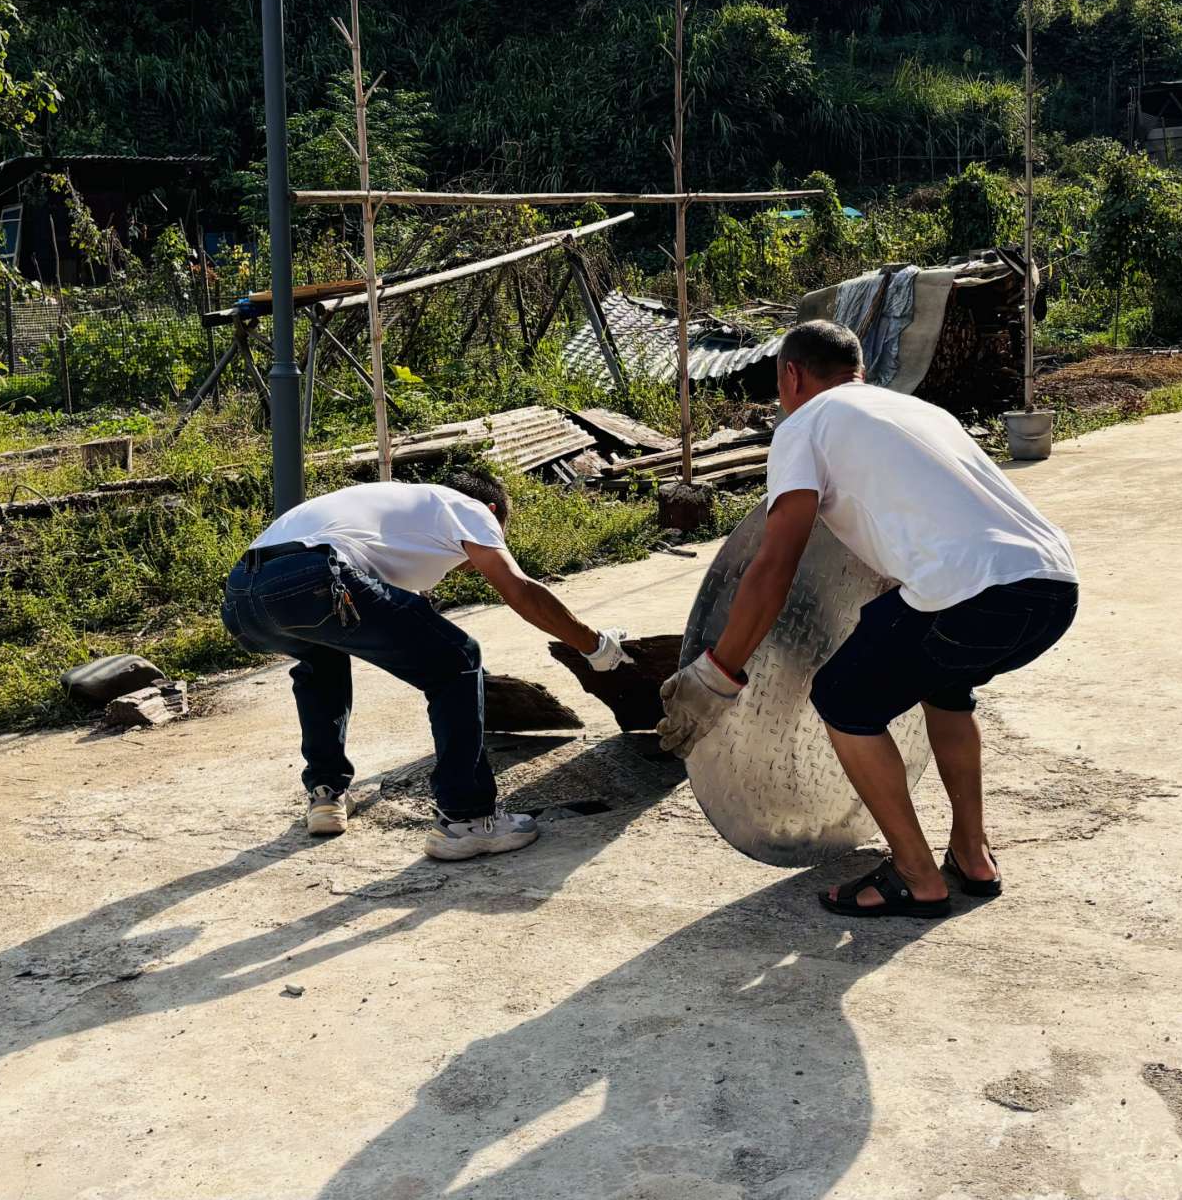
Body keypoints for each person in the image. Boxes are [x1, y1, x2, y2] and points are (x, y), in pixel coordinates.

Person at [657, 320, 1078, 917]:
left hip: (969, 595)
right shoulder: (919, 412)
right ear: (861, 371)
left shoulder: (804, 424)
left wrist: (718, 673)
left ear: (792, 376)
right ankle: (971, 853)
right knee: (944, 686)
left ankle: (915, 873)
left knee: (843, 696)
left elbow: (776, 565)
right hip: (1053, 588)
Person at [222, 470, 628, 860]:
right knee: (458, 658)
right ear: (491, 511)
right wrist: (593, 646)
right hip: (313, 575)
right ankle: (466, 819)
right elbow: (518, 590)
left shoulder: (396, 511)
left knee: (320, 665)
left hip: (243, 596)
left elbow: (411, 629)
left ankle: (326, 795)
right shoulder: (466, 508)